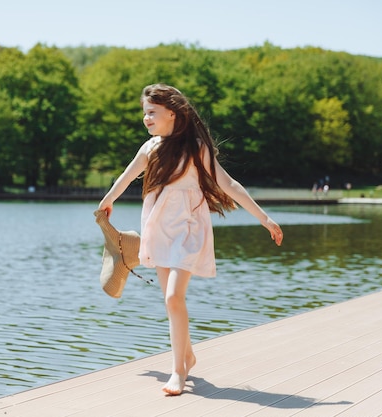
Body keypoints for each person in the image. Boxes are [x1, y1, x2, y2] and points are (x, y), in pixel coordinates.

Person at [97, 84, 284, 396]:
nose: (146, 118)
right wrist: (107, 200)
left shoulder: (196, 146)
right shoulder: (149, 148)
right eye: (145, 112)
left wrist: (264, 218)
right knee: (171, 302)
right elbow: (126, 177)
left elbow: (228, 183)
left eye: (152, 112)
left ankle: (179, 371)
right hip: (157, 228)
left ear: (172, 113)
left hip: (188, 227)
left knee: (173, 297)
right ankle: (187, 355)